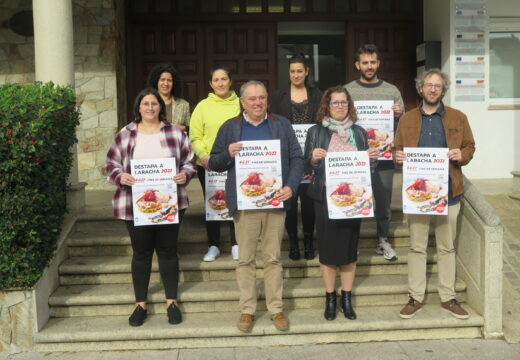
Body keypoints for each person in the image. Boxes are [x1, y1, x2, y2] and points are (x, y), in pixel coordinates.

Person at [209, 80, 304, 333]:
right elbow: (215, 162)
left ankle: (276, 309)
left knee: (272, 258)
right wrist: (227, 153)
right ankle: (247, 310)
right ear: (242, 102)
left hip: (274, 201)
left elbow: (297, 157)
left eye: (262, 97)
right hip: (245, 204)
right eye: (252, 99)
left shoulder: (281, 124)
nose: (258, 102)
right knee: (246, 260)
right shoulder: (230, 128)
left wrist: (291, 187)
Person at [105, 88, 196, 327]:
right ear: (138, 107)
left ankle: (172, 302)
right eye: (145, 104)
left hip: (169, 203)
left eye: (154, 104)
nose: (150, 108)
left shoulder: (175, 132)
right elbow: (110, 163)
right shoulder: (125, 134)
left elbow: (189, 161)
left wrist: (184, 175)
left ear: (160, 107)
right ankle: (140, 304)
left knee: (167, 252)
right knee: (141, 253)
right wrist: (120, 176)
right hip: (134, 205)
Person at [393, 69, 475, 319]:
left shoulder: (458, 117)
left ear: (443, 90)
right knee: (417, 247)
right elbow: (396, 149)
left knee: (446, 247)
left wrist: (463, 155)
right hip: (418, 197)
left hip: (448, 192)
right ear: (420, 88)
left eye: (437, 86)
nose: (432, 89)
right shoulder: (406, 119)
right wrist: (398, 157)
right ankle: (415, 298)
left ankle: (448, 298)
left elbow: (469, 146)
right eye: (428, 85)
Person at [304, 86, 379, 321]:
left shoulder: (358, 132)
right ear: (327, 106)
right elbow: (307, 167)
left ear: (349, 105)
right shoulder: (315, 132)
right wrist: (313, 159)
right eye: (335, 103)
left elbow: (368, 169)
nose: (339, 107)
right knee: (327, 250)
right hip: (325, 199)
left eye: (343, 103)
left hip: (353, 202)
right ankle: (330, 297)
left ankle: (346, 297)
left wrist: (372, 160)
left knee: (349, 250)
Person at [345, 44, 405, 261]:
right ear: (357, 65)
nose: (369, 67)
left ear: (378, 63)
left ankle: (382, 240)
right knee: (356, 201)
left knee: (384, 203)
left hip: (384, 158)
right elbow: (339, 122)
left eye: (372, 62)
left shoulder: (392, 91)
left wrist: (399, 115)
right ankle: (353, 244)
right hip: (356, 158)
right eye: (365, 63)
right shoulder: (347, 91)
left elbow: (404, 124)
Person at [270, 53, 322, 261]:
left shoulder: (317, 94)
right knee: (289, 201)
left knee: (309, 201)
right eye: (292, 71)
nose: (296, 75)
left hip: (310, 157)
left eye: (300, 71)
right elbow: (273, 124)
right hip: (288, 157)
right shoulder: (277, 96)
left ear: (307, 72)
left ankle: (308, 240)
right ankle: (292, 241)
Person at [189, 68, 240, 261]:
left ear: (230, 81)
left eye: (224, 79)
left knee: (234, 200)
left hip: (234, 162)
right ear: (210, 83)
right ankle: (213, 245)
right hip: (208, 164)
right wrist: (203, 156)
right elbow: (195, 135)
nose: (220, 83)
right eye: (216, 80)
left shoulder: (239, 103)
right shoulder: (202, 106)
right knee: (213, 202)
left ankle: (236, 243)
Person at [147, 63, 190, 131]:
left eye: (169, 80)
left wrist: (183, 128)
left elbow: (190, 130)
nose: (166, 83)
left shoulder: (184, 105)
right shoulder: (147, 103)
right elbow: (139, 125)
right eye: (162, 79)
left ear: (174, 83)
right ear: (156, 81)